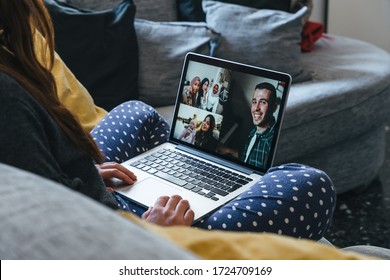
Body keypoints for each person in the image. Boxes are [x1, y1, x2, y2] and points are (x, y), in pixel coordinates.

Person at [0, 0, 336, 240]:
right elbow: (54, 241)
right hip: (122, 237)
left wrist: (79, 175)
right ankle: (198, 219)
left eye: (265, 103)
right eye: (256, 102)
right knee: (310, 184)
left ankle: (174, 184)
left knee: (138, 112)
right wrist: (156, 233)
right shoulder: (8, 99)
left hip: (91, 196)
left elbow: (38, 182)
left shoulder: (11, 73)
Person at [218, 82, 278, 170]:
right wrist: (228, 150)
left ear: (274, 108)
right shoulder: (255, 129)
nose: (256, 108)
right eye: (254, 102)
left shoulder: (271, 143)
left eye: (263, 102)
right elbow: (248, 156)